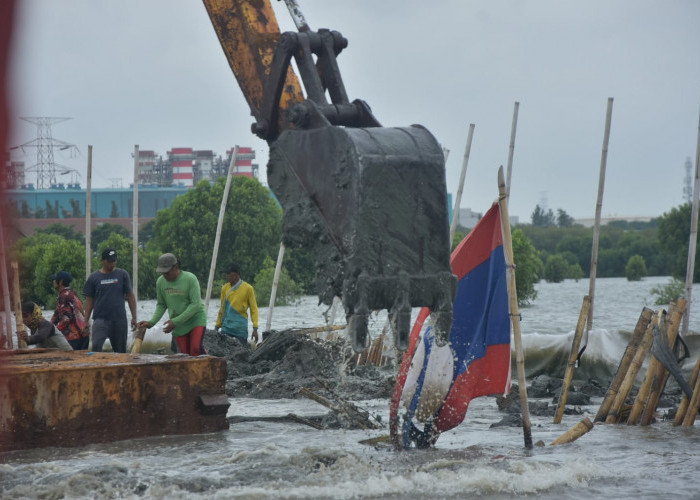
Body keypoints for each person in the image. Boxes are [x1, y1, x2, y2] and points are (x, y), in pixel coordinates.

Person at [138, 253, 207, 356]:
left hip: (195, 320)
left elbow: (195, 305)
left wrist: (175, 321)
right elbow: (161, 305)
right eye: (162, 273)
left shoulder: (190, 279)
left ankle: (208, 367)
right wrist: (151, 322)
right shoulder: (160, 282)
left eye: (167, 272)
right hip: (179, 324)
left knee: (196, 349)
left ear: (176, 267)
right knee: (184, 354)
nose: (165, 275)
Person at [83, 248, 137, 353]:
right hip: (100, 320)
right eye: (109, 261)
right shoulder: (94, 278)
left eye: (114, 260)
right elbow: (89, 300)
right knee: (96, 346)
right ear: (103, 260)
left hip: (119, 320)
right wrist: (86, 320)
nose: (112, 263)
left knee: (120, 351)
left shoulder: (123, 274)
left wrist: (134, 317)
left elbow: (130, 296)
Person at [215, 262, 259, 346]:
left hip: (240, 329)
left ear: (237, 273)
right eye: (226, 273)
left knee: (240, 352)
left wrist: (255, 328)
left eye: (229, 273)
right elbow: (222, 309)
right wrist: (217, 326)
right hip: (226, 328)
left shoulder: (248, 288)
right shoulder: (225, 288)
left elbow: (254, 309)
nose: (227, 276)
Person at [50, 270, 89, 350]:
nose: (53, 281)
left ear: (60, 282)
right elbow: (57, 314)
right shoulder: (72, 293)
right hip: (84, 334)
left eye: (55, 279)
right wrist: (49, 326)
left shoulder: (63, 297)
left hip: (74, 337)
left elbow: (66, 318)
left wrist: (55, 331)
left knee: (72, 360)